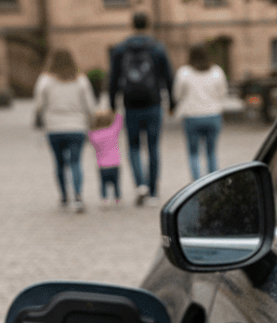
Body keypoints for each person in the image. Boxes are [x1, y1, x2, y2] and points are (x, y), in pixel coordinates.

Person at [108, 12, 173, 205]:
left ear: (132, 25)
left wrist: (112, 103)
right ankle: (153, 192)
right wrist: (172, 102)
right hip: (153, 103)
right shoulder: (157, 48)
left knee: (134, 146)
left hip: (130, 104)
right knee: (153, 147)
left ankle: (140, 184)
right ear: (148, 24)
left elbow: (113, 78)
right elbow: (168, 77)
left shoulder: (121, 48)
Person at [34, 49, 94, 212]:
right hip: (77, 127)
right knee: (75, 162)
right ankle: (78, 195)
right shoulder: (81, 80)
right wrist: (91, 122)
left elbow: (39, 105)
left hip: (54, 128)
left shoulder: (45, 80)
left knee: (59, 163)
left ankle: (64, 196)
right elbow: (90, 105)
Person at [173, 43, 231, 180]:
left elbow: (177, 95)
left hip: (192, 116)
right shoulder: (217, 71)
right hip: (213, 115)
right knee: (211, 152)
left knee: (193, 153)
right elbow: (223, 93)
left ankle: (197, 183)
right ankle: (213, 182)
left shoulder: (184, 72)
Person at [88, 110, 124, 205]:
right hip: (115, 163)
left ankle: (105, 199)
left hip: (102, 165)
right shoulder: (112, 132)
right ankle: (117, 198)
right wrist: (115, 110)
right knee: (116, 183)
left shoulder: (94, 135)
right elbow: (119, 122)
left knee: (103, 184)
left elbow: (88, 129)